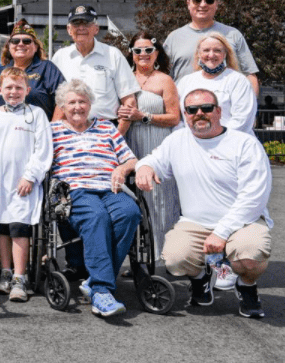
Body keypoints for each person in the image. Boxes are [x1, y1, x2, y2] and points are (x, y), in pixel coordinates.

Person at [136, 89, 273, 319]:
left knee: (250, 255)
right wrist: (145, 167)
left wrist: (221, 232)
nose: (199, 113)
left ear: (218, 111)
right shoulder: (177, 140)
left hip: (243, 222)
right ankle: (201, 280)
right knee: (175, 259)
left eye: (206, 108)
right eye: (191, 110)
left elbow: (254, 197)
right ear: (185, 114)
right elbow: (154, 159)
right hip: (195, 223)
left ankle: (247, 286)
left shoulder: (244, 144)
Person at [50, 79, 140, 318]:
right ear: (62, 106)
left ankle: (95, 279)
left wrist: (122, 169)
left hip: (110, 187)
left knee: (130, 213)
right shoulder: (53, 130)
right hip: (74, 189)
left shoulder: (107, 128)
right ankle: (101, 289)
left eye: (82, 101)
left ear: (90, 105)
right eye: (71, 102)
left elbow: (130, 159)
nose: (77, 107)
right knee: (97, 217)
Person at [0, 67, 52, 302]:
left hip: (24, 184)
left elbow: (43, 149)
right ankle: (5, 272)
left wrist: (31, 175)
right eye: (9, 88)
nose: (14, 92)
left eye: (18, 87)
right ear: (0, 90)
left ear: (27, 90)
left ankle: (20, 278)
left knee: (19, 228)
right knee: (2, 227)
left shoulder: (36, 114)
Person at [117, 31, 181, 258]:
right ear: (131, 54)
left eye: (148, 50)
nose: (143, 54)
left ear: (156, 53)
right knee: (130, 199)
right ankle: (134, 256)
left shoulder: (164, 80)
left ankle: (161, 254)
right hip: (128, 143)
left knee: (158, 197)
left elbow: (174, 117)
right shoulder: (123, 77)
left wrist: (143, 116)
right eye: (137, 50)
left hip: (156, 141)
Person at [163, 0, 259, 96]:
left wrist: (250, 108)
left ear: (217, 4)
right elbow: (163, 78)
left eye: (209, 0)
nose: (203, 5)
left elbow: (249, 74)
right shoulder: (173, 38)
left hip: (226, 111)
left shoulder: (233, 35)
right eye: (197, 0)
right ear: (188, 4)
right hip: (186, 110)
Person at [51, 5, 139, 133]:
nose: (81, 28)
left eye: (86, 23)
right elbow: (54, 102)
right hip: (68, 131)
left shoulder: (113, 54)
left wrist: (117, 137)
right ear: (69, 30)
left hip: (105, 130)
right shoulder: (60, 56)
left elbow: (129, 101)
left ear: (96, 29)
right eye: (76, 24)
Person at [0, 19, 65, 129]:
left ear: (35, 47)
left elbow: (64, 100)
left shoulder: (47, 68)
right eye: (15, 41)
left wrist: (53, 129)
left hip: (35, 136)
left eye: (26, 41)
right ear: (9, 46)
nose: (20, 44)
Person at [176, 33, 256, 136]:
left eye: (217, 50)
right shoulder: (186, 81)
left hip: (230, 145)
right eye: (206, 50)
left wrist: (213, 138)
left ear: (225, 54)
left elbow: (242, 120)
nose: (211, 55)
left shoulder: (238, 81)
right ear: (198, 54)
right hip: (194, 145)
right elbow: (178, 118)